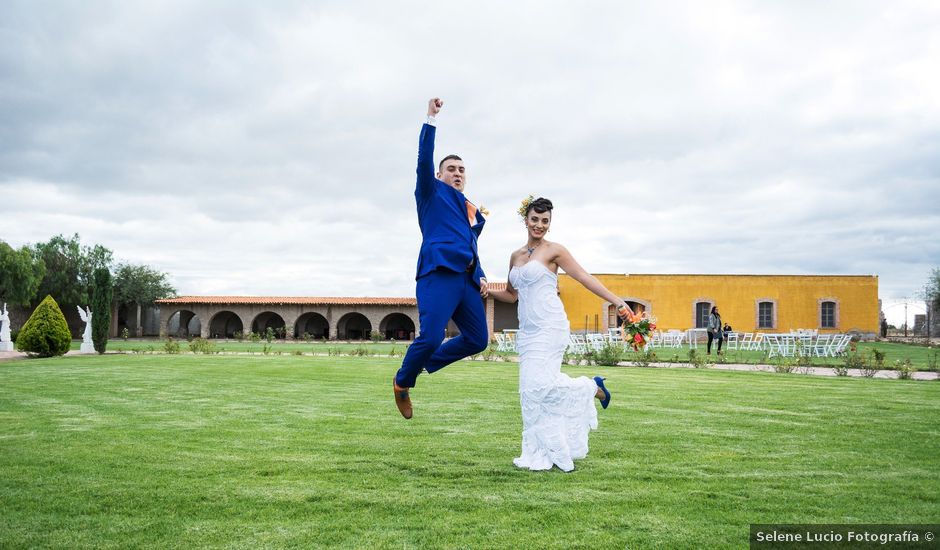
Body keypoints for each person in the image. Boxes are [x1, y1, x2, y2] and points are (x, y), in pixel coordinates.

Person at [488, 197, 629, 472]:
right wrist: (486, 290)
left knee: (541, 388)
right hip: (527, 332)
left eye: (545, 221)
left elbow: (585, 277)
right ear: (525, 220)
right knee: (529, 394)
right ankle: (538, 452)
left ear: (549, 224)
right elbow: (510, 294)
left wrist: (618, 301)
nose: (539, 225)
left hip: (551, 326)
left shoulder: (555, 251)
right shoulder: (515, 256)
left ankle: (591, 387)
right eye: (535, 219)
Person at [393, 98, 489, 420]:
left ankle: (424, 364)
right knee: (432, 336)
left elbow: (471, 244)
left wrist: (483, 273)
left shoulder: (472, 211)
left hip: (467, 280)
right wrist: (430, 120)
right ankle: (402, 381)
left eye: (462, 170)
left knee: (478, 339)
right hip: (438, 272)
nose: (457, 173)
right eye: (451, 169)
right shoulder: (430, 192)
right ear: (439, 174)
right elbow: (423, 161)